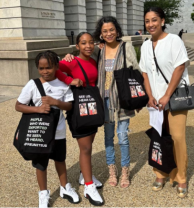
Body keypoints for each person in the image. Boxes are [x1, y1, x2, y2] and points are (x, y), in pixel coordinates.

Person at [63, 16, 142, 188]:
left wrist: (138, 99)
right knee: (108, 137)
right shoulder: (100, 49)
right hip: (103, 99)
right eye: (105, 31)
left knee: (122, 137)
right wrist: (70, 56)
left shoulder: (126, 47)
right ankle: (112, 171)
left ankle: (125, 171)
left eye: (111, 30)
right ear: (101, 33)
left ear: (117, 30)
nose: (109, 33)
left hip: (122, 100)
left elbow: (136, 72)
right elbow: (82, 60)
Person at [15, 51, 80, 208]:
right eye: (41, 68)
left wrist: (56, 102)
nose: (45, 71)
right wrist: (37, 110)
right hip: (39, 133)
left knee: (60, 160)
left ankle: (65, 187)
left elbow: (69, 105)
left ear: (56, 66)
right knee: (40, 164)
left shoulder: (64, 84)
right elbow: (18, 105)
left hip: (58, 132)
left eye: (49, 67)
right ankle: (43, 193)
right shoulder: (33, 84)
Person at [140, 7, 190, 198]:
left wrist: (167, 95)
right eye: (147, 21)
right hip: (155, 102)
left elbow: (179, 67)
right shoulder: (145, 46)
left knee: (177, 138)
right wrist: (149, 95)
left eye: (154, 20)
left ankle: (181, 177)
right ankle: (160, 173)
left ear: (162, 21)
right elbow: (145, 73)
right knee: (158, 138)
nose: (150, 24)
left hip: (175, 97)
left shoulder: (173, 40)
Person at [55, 32, 104, 206]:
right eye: (83, 43)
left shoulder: (93, 60)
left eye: (91, 42)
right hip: (78, 109)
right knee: (85, 148)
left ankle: (85, 175)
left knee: (88, 146)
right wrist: (70, 79)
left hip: (92, 107)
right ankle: (89, 187)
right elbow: (53, 69)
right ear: (77, 46)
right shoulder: (71, 61)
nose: (88, 46)